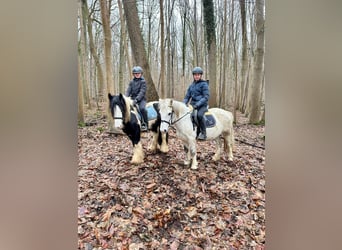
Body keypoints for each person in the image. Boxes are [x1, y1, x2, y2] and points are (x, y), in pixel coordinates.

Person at [183, 66, 210, 140]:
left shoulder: (204, 84)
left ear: (201, 75)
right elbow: (187, 97)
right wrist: (183, 104)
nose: (197, 76)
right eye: (195, 75)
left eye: (198, 75)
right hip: (193, 104)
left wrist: (197, 104)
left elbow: (206, 97)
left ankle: (203, 133)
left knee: (199, 115)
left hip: (202, 105)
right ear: (193, 76)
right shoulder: (191, 86)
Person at [126, 66, 148, 131]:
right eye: (136, 73)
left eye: (138, 73)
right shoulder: (131, 82)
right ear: (134, 74)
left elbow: (142, 92)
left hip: (141, 99)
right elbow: (128, 91)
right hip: (132, 99)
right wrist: (126, 98)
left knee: (142, 109)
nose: (137, 74)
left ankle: (145, 124)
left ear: (141, 74)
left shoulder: (143, 82)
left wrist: (137, 99)